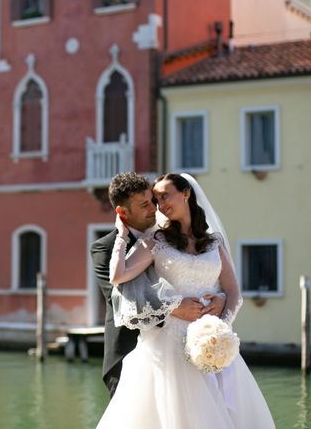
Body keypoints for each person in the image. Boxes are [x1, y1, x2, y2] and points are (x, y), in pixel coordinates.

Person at [96, 173, 275, 428]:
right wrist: (122, 234)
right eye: (156, 200)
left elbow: (233, 292)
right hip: (169, 344)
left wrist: (220, 327)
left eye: (165, 195)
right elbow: (118, 276)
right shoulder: (156, 241)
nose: (161, 204)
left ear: (186, 193)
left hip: (211, 343)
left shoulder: (214, 242)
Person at [91, 173, 225, 398]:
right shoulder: (104, 248)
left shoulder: (173, 235)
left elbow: (201, 273)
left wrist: (220, 296)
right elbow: (122, 295)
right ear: (123, 213)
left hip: (190, 344)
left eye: (153, 201)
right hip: (130, 353)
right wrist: (173, 307)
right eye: (144, 205)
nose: (154, 208)